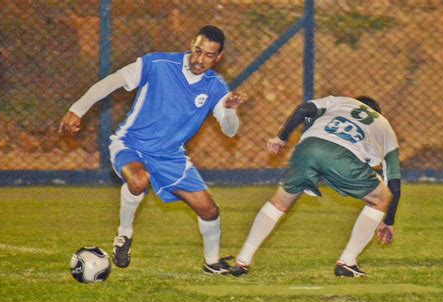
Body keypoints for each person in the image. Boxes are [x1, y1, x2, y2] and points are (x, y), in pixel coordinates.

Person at [59, 25, 247, 275]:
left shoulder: (215, 86)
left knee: (209, 210)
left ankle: (211, 263)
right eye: (198, 51)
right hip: (131, 143)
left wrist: (231, 109)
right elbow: (112, 82)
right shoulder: (157, 63)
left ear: (219, 57)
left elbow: (230, 130)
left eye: (209, 55)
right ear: (192, 44)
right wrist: (78, 108)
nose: (200, 59)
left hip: (170, 156)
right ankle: (124, 235)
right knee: (138, 180)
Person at [230, 95, 401, 277]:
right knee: (381, 198)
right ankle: (348, 262)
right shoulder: (384, 126)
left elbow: (304, 109)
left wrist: (282, 137)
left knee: (279, 203)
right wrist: (388, 221)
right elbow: (395, 185)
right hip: (343, 156)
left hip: (309, 147)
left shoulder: (341, 101)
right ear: (377, 113)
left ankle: (243, 260)